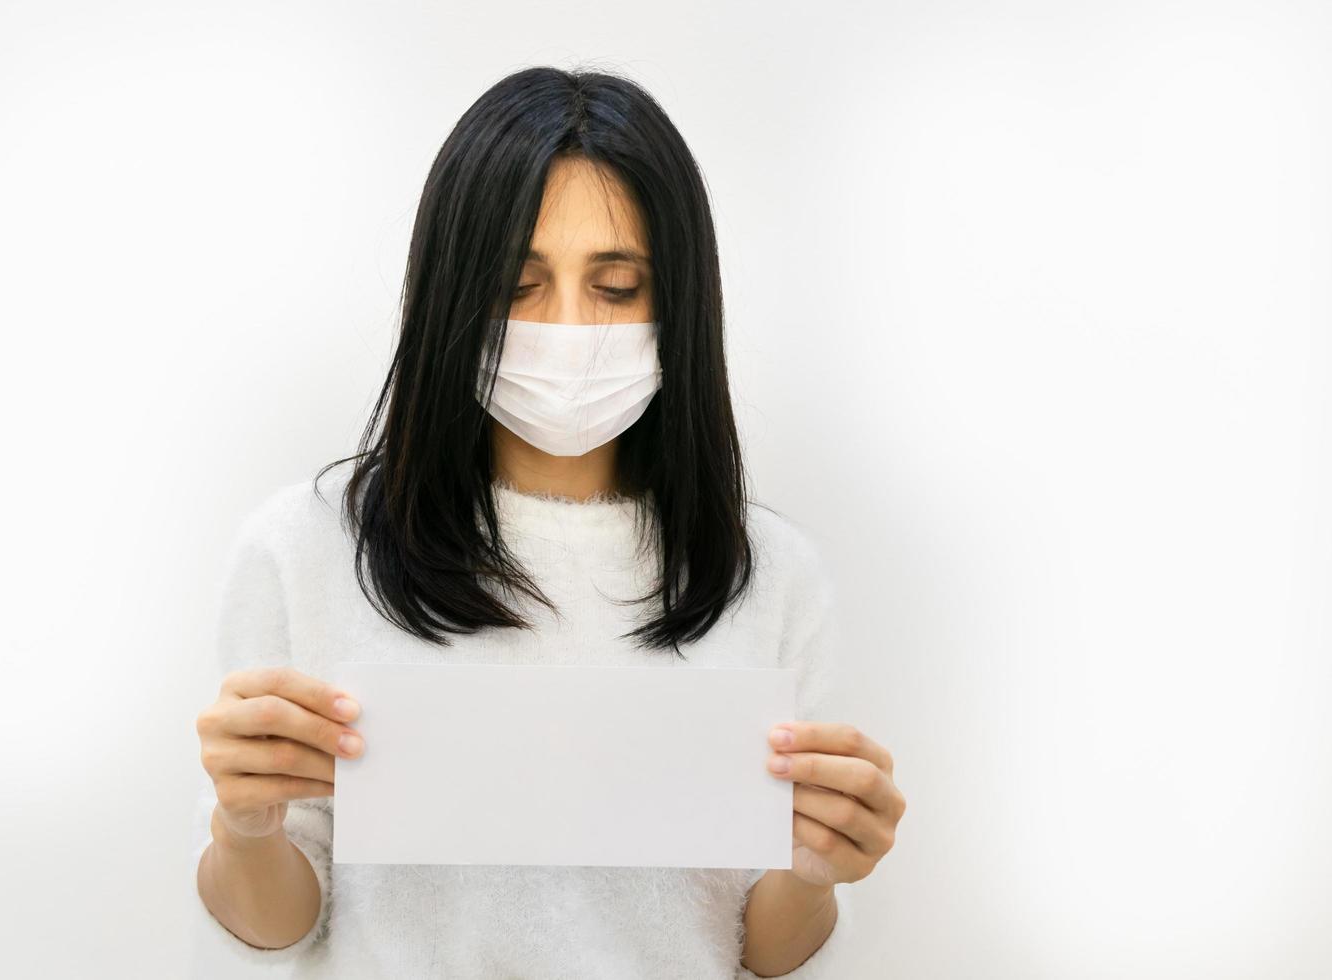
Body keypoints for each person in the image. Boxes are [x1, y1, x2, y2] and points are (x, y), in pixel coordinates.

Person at [190, 65, 906, 979]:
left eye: (615, 288)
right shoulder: (306, 552)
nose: (567, 329)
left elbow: (763, 953)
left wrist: (814, 872)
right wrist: (245, 829)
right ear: (448, 296)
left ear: (680, 304)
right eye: (517, 284)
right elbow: (279, 925)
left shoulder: (770, 575)